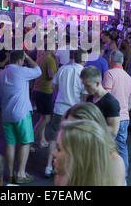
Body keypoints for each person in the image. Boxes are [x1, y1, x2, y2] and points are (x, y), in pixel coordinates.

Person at [0, 50, 41, 184]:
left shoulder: (0, 75)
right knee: (25, 142)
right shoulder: (22, 71)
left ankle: (10, 175)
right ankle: (21, 173)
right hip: (21, 113)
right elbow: (38, 70)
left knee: (10, 144)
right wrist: (28, 57)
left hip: (6, 113)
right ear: (21, 60)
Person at [45, 48, 88, 178]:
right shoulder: (83, 73)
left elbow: (54, 86)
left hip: (59, 108)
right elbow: (84, 95)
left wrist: (62, 94)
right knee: (73, 140)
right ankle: (69, 168)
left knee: (54, 138)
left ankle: (48, 166)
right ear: (84, 59)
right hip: (74, 109)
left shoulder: (63, 69)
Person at [53, 119, 124, 186]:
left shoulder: (116, 162)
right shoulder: (62, 180)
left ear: (80, 157)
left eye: (59, 149)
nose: (54, 154)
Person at [102, 50, 131, 178]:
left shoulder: (109, 74)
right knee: (122, 147)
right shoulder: (128, 77)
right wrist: (125, 110)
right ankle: (123, 174)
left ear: (111, 60)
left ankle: (106, 175)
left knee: (106, 147)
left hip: (111, 118)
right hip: (124, 118)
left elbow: (106, 96)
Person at [80, 66, 120, 138]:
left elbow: (113, 130)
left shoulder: (111, 102)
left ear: (98, 83)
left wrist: (90, 127)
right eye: (84, 85)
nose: (85, 89)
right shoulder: (90, 98)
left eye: (88, 86)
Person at [32, 47, 57, 149]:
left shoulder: (40, 58)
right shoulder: (50, 59)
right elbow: (51, 75)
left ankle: (42, 140)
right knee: (47, 118)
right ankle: (31, 140)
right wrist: (58, 73)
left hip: (37, 90)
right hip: (46, 91)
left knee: (42, 117)